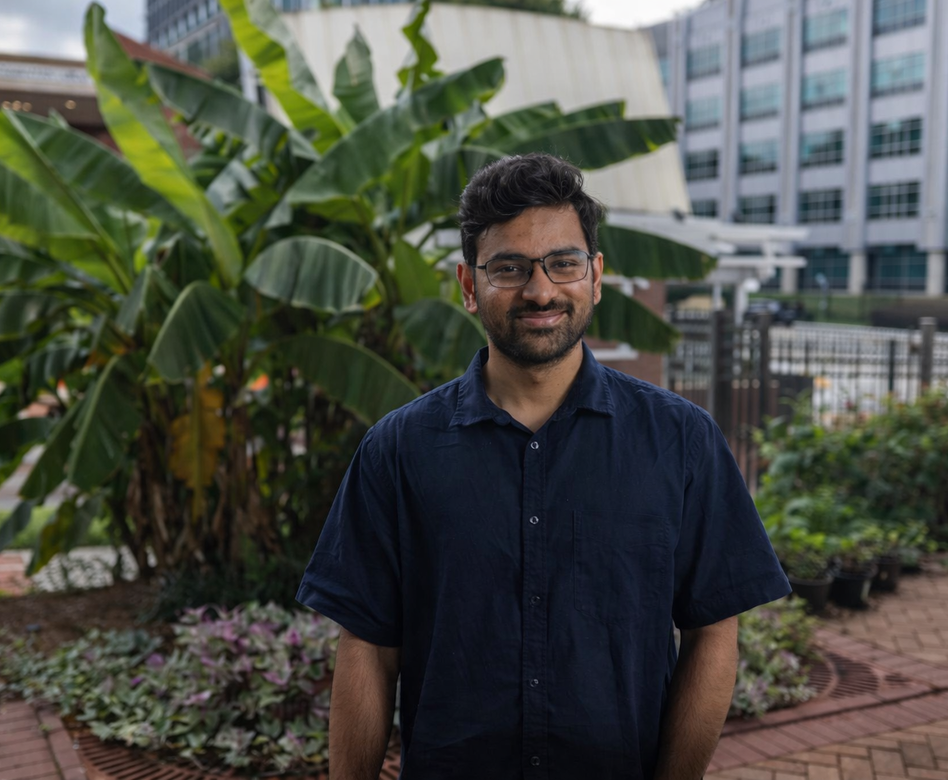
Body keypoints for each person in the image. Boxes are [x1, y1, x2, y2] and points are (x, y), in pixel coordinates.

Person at [295, 153, 791, 779]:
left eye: (563, 263)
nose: (540, 290)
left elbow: (713, 632)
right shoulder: (398, 451)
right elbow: (366, 647)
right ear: (470, 286)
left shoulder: (680, 441)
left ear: (596, 276)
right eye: (509, 268)